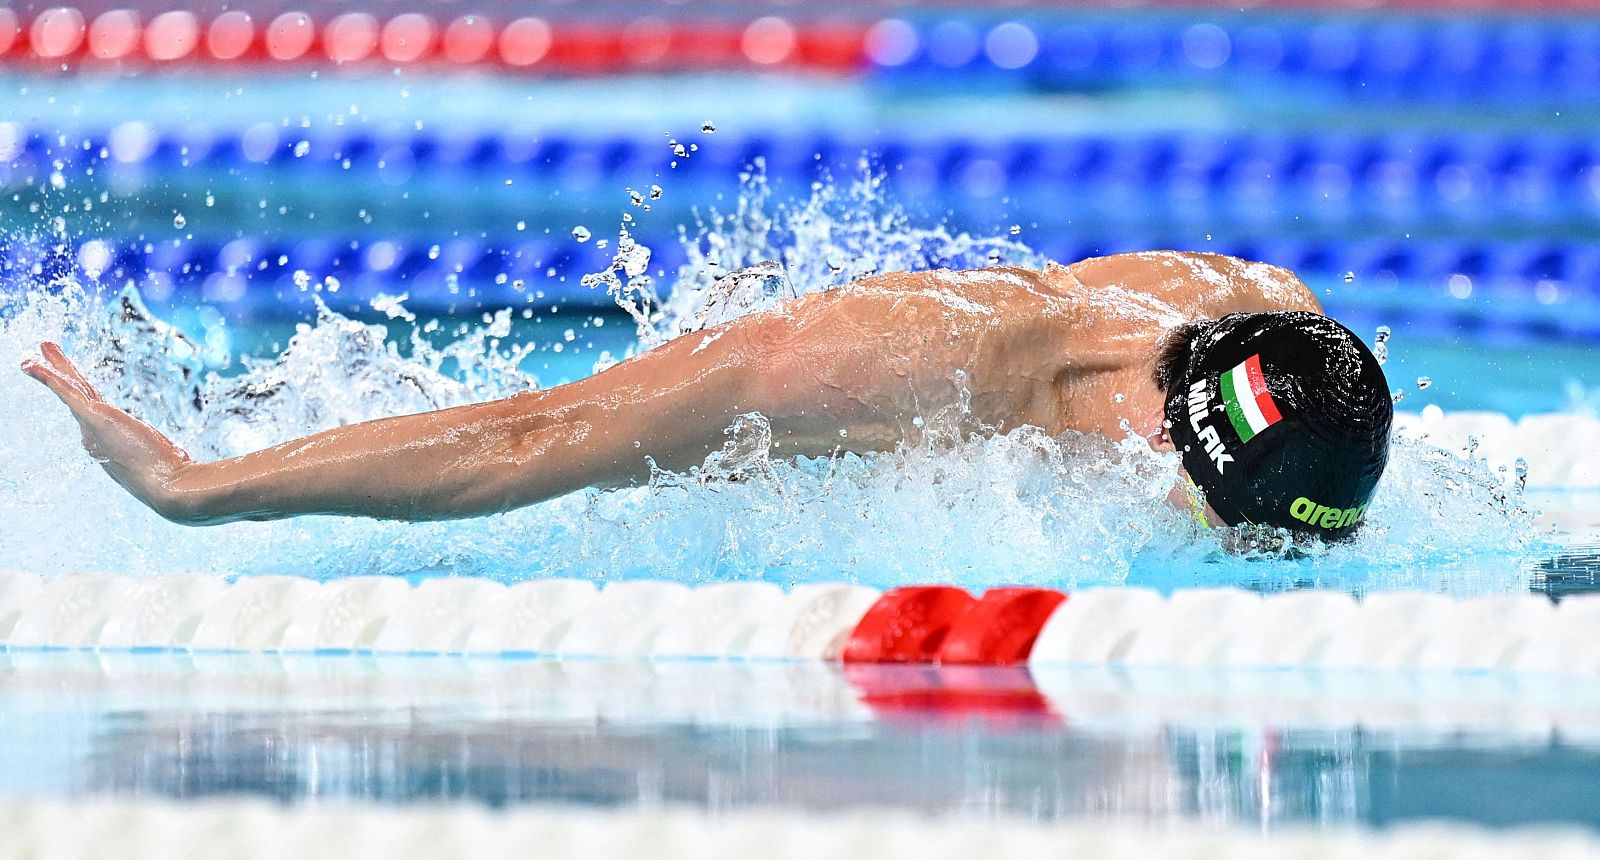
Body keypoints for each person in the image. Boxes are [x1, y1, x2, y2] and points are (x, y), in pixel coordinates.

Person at [22, 250, 1391, 537]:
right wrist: (193, 490)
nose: (1246, 546)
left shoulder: (1283, 327)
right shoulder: (902, 362)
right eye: (1231, 514)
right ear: (1165, 430)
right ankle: (221, 432)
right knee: (569, 425)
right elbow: (526, 438)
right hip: (790, 371)